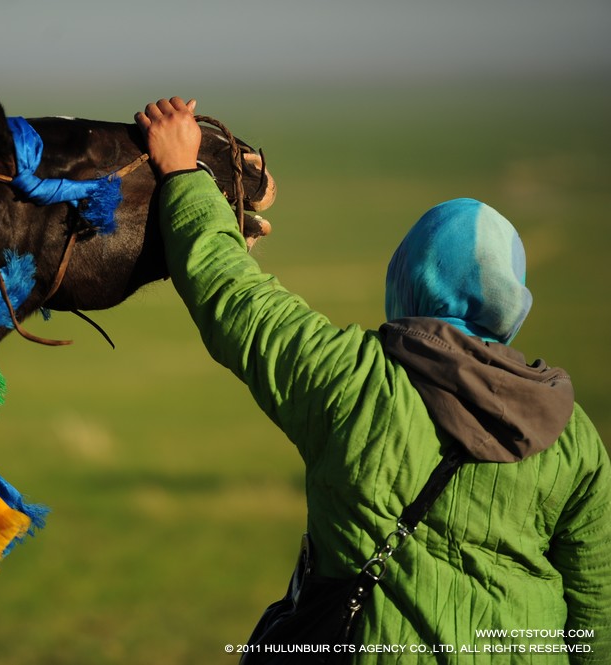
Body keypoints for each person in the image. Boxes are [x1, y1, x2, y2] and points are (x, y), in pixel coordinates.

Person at [134, 98, 611, 662]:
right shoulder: (571, 433)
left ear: (408, 276)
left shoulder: (351, 380)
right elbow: (595, 614)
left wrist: (183, 171)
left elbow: (232, 296)